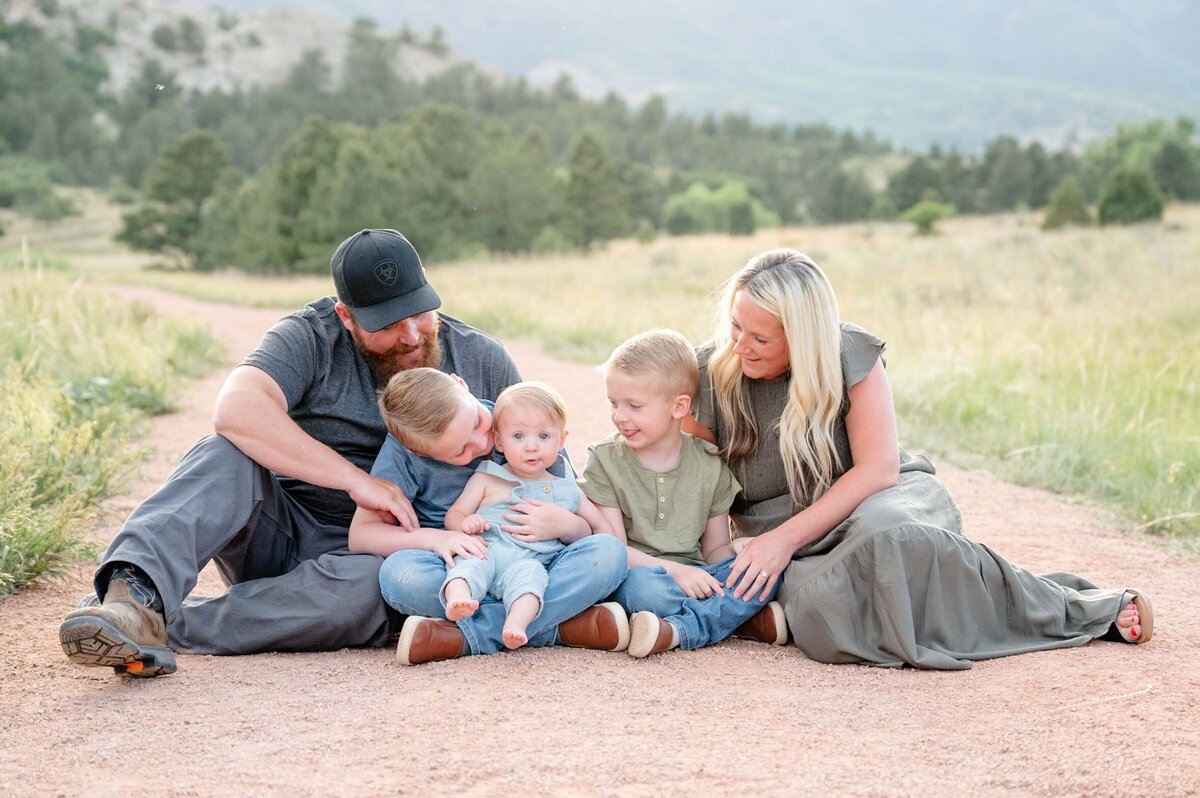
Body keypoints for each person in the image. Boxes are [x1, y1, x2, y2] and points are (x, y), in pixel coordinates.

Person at [58, 228, 575, 676]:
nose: (411, 335)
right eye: (389, 323)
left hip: (388, 556)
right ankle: (135, 594)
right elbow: (236, 410)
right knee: (223, 453)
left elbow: (537, 459)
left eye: (420, 312)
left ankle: (161, 625)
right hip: (281, 531)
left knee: (379, 587)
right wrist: (355, 480)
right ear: (346, 316)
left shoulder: (481, 358)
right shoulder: (308, 337)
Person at [684, 248, 1153, 669]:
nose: (740, 345)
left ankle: (1079, 610)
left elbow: (878, 470)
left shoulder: (849, 354)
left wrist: (781, 541)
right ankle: (796, 612)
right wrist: (725, 549)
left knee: (889, 538)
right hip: (798, 544)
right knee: (818, 607)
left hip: (875, 503)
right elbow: (695, 478)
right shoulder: (710, 374)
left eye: (760, 339)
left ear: (803, 337)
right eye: (736, 326)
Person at [351, 368, 629, 665]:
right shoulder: (402, 453)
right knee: (398, 574)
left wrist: (567, 525)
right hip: (463, 561)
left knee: (608, 555)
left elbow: (579, 512)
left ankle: (466, 636)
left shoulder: (521, 418)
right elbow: (361, 535)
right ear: (416, 450)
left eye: (478, 423)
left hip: (537, 564)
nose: (482, 443)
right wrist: (438, 538)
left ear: (461, 383)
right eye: (460, 451)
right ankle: (559, 626)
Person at [582, 329, 788, 658]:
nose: (620, 416)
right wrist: (677, 572)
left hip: (700, 574)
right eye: (614, 403)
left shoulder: (710, 463)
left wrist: (737, 549)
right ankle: (733, 621)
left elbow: (714, 551)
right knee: (648, 592)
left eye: (634, 406)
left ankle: (679, 628)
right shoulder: (605, 460)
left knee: (763, 574)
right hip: (641, 574)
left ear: (679, 407)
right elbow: (616, 551)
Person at [439, 382, 614, 650]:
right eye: (518, 436)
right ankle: (458, 601)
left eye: (544, 437)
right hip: (486, 550)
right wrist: (464, 523)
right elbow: (455, 514)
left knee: (532, 580)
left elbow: (602, 530)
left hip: (527, 562)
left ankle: (516, 625)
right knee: (467, 566)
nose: (531, 447)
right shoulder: (488, 477)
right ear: (498, 440)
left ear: (562, 440)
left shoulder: (566, 489)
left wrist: (575, 530)